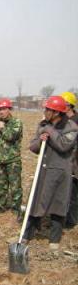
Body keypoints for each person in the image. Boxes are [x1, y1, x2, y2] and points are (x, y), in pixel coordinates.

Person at [22, 96, 78, 249]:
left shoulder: (71, 127)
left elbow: (63, 145)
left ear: (57, 113)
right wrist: (40, 139)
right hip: (44, 170)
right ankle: (27, 235)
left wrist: (50, 131)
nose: (45, 112)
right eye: (45, 109)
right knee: (35, 201)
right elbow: (33, 147)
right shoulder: (43, 125)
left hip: (60, 172)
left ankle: (54, 239)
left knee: (58, 204)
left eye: (48, 109)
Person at [0, 98, 23, 219]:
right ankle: (1, 206)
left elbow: (11, 137)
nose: (1, 112)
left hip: (12, 160)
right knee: (1, 185)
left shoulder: (16, 123)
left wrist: (3, 128)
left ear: (9, 109)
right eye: (0, 109)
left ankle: (16, 208)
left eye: (4, 109)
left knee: (15, 186)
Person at [61, 91, 78, 229]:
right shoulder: (61, 121)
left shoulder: (76, 121)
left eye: (64, 105)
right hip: (63, 161)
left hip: (74, 162)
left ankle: (71, 220)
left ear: (70, 106)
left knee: (72, 192)